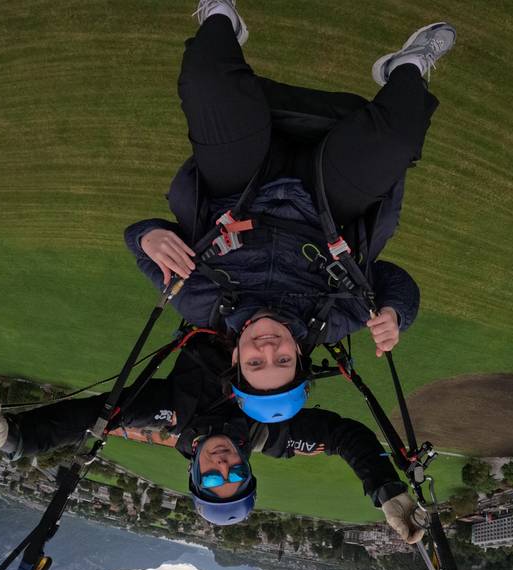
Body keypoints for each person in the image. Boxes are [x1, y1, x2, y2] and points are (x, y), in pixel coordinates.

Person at [126, 2, 455, 421]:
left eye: (255, 363)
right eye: (282, 362)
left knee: (206, 80)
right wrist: (395, 313)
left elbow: (140, 244)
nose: (267, 350)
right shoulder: (339, 319)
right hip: (326, 204)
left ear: (236, 360)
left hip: (239, 187)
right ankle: (406, 67)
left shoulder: (197, 301)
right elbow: (391, 280)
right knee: (398, 138)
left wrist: (148, 236)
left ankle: (221, 21)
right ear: (299, 356)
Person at [0, 334, 424, 540]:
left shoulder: (168, 416)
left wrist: (15, 440)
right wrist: (386, 488)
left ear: (195, 475)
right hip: (284, 323)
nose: (224, 466)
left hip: (219, 302)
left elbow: (95, 417)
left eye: (215, 480)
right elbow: (344, 437)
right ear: (249, 468)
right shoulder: (270, 434)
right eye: (236, 474)